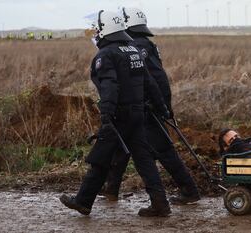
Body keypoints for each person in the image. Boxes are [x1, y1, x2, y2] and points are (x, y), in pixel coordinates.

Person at [59, 10, 172, 217]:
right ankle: (160, 204)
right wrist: (162, 108)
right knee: (144, 160)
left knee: (101, 157)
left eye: (97, 28)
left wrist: (106, 114)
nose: (95, 32)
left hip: (119, 115)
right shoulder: (133, 50)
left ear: (105, 29)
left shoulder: (106, 54)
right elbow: (150, 83)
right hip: (138, 113)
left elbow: (110, 87)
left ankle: (83, 201)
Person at [100, 7, 200, 205]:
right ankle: (111, 189)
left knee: (163, 150)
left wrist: (162, 107)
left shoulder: (138, 46)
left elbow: (157, 79)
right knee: (121, 148)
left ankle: (189, 191)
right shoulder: (142, 45)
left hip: (147, 110)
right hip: (142, 108)